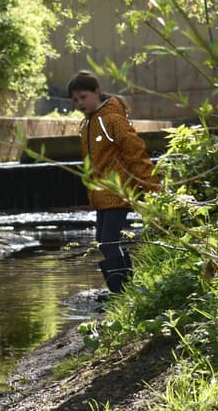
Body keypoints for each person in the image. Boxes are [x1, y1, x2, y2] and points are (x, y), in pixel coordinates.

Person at [67, 71, 161, 295]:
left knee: (108, 242)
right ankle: (124, 291)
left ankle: (123, 293)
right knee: (103, 241)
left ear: (96, 92)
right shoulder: (88, 123)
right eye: (75, 100)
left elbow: (135, 152)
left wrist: (153, 188)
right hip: (101, 194)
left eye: (83, 97)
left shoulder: (112, 119)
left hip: (118, 192)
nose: (79, 103)